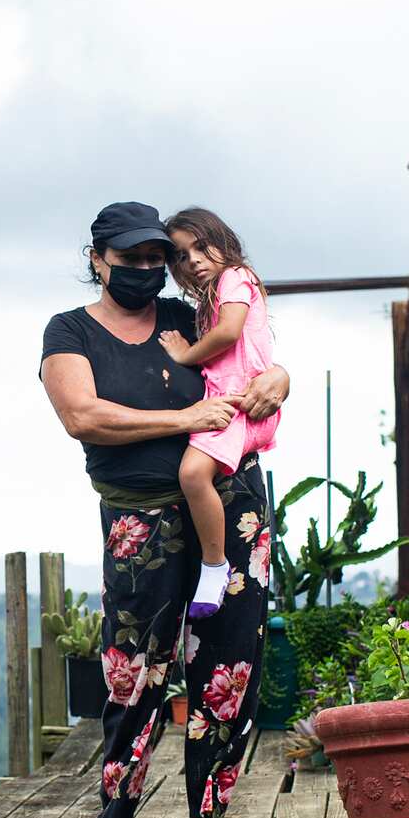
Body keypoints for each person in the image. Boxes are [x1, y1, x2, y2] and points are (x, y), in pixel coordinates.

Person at [40, 201, 290, 818]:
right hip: (138, 519)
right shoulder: (69, 332)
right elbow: (82, 416)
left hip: (231, 506)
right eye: (132, 259)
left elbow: (255, 356)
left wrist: (280, 380)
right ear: (98, 261)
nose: (149, 269)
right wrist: (183, 416)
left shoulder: (188, 319)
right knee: (131, 671)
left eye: (158, 258)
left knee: (228, 665)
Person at [159, 208, 280, 619]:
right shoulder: (211, 296)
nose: (192, 259)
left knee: (193, 474)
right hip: (234, 400)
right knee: (199, 477)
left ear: (222, 241)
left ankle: (214, 565)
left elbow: (228, 334)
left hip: (240, 403)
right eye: (180, 254)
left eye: (200, 246)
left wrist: (183, 354)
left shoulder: (236, 278)